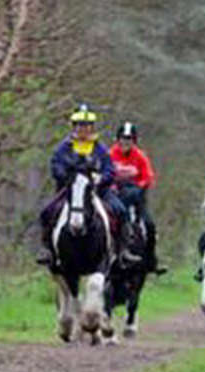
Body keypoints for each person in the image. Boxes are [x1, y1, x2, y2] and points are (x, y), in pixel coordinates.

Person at [35, 104, 123, 266]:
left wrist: (100, 179)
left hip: (96, 192)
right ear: (74, 127)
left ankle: (120, 251)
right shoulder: (64, 147)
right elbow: (56, 166)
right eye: (80, 125)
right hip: (70, 191)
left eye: (87, 126)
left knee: (120, 210)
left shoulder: (100, 148)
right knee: (46, 212)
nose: (83, 129)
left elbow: (110, 170)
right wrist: (67, 177)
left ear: (92, 127)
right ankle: (47, 250)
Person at [108, 120, 163, 274]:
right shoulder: (110, 154)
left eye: (129, 139)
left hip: (136, 198)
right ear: (118, 139)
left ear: (134, 141)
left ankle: (152, 260)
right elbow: (105, 173)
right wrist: (111, 186)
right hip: (114, 196)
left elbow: (149, 176)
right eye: (123, 138)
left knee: (150, 225)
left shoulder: (140, 156)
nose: (125, 142)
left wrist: (139, 187)